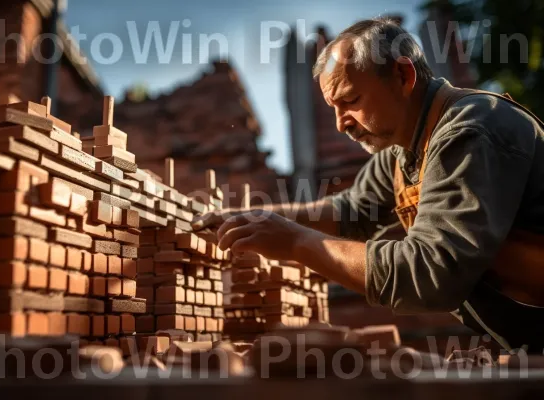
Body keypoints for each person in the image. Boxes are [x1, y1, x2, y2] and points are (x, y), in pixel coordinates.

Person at [192, 18, 544, 353]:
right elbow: (351, 212)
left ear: (403, 75)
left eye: (350, 101)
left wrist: (297, 243)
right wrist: (252, 218)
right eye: (333, 107)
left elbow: (431, 272)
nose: (340, 123)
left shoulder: (470, 131)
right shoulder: (403, 149)